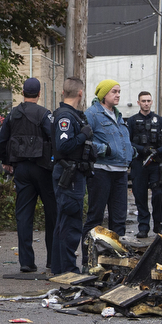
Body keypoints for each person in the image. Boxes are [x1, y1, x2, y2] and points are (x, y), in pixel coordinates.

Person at [0, 78, 58, 273]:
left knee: (24, 215)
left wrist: (5, 161)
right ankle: (52, 260)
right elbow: (54, 139)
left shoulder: (13, 113)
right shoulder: (44, 114)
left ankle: (26, 262)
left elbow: (1, 141)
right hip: (44, 169)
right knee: (52, 214)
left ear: (22, 92)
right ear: (39, 94)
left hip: (21, 169)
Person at [50, 78, 96, 274]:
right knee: (70, 224)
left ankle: (60, 268)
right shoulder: (66, 117)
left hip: (73, 174)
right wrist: (83, 135)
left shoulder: (74, 116)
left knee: (64, 222)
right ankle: (68, 270)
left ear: (63, 92)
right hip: (70, 175)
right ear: (80, 93)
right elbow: (63, 145)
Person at [84, 79, 134, 238]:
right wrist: (105, 149)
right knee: (95, 217)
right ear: (103, 95)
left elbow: (121, 140)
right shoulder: (92, 114)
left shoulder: (118, 116)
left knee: (119, 219)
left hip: (121, 172)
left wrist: (131, 151)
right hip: (101, 172)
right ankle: (89, 259)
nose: (118, 95)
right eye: (114, 91)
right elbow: (84, 142)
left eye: (119, 91)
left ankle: (116, 260)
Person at [126, 91, 162, 238]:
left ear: (151, 102)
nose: (146, 103)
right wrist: (142, 149)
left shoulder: (159, 120)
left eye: (148, 101)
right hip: (139, 163)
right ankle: (143, 227)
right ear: (138, 102)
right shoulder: (132, 121)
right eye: (143, 101)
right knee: (140, 196)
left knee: (158, 194)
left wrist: (158, 151)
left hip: (155, 163)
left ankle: (158, 225)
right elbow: (127, 141)